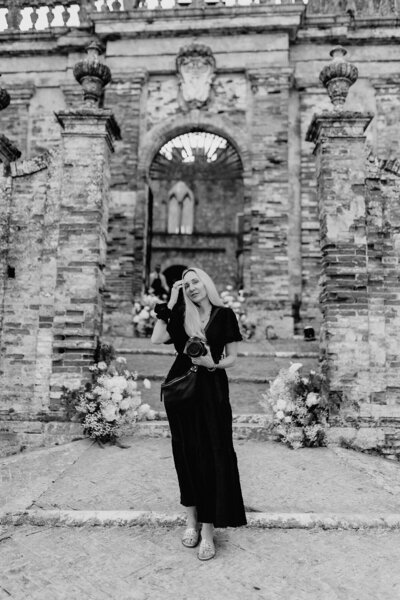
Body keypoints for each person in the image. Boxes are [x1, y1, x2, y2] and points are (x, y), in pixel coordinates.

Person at [151, 267, 247, 561]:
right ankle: (191, 519)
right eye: (186, 284)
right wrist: (170, 303)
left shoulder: (225, 315)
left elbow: (231, 357)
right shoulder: (181, 315)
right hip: (182, 388)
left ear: (206, 284)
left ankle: (208, 530)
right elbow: (156, 339)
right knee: (186, 454)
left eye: (196, 282)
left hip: (212, 389)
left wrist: (212, 363)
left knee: (213, 455)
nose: (192, 288)